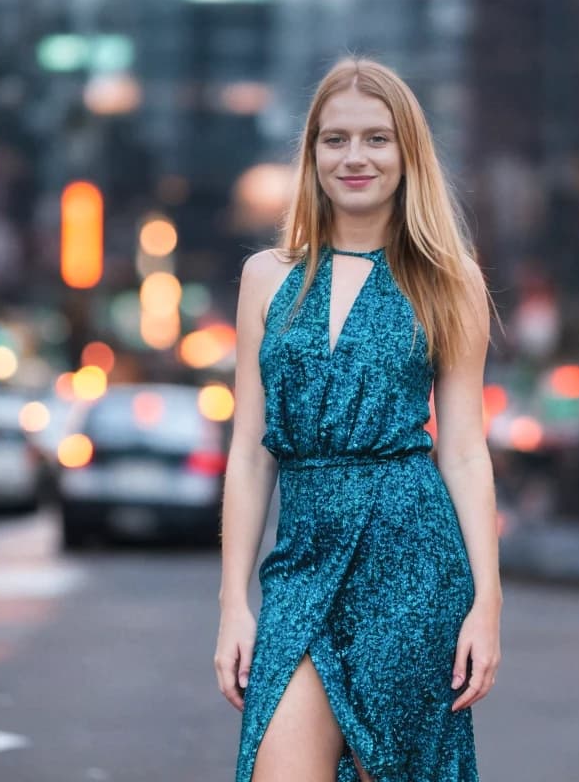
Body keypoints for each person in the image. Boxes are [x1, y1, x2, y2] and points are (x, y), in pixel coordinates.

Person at [214, 56, 502, 782]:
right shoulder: (266, 278)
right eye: (335, 139)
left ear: (408, 154)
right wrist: (233, 603)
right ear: (310, 155)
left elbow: (465, 451)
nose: (355, 157)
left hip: (412, 565)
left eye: (377, 138)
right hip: (300, 565)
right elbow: (250, 453)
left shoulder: (449, 279)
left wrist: (488, 602)